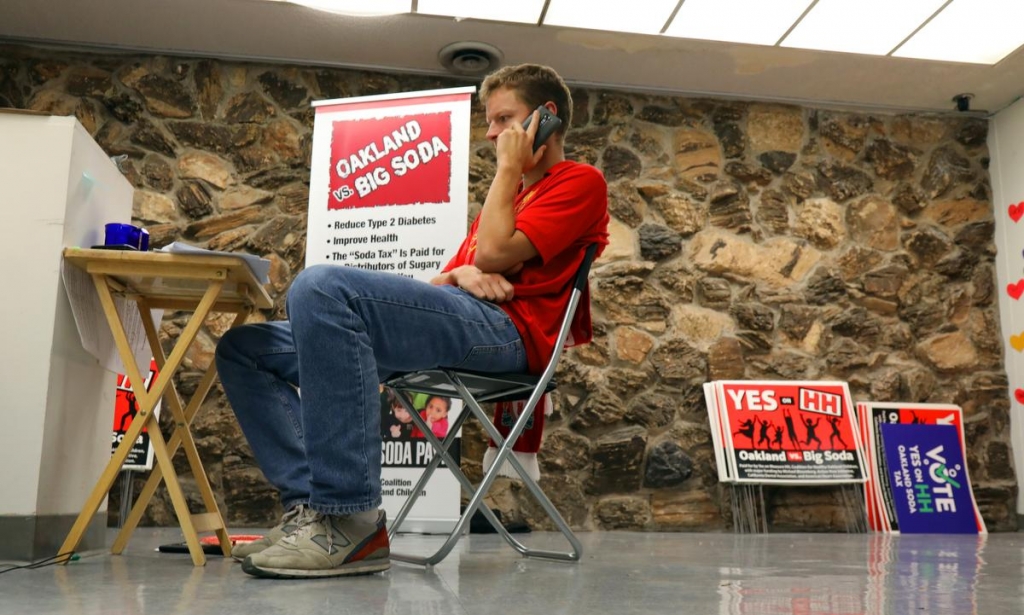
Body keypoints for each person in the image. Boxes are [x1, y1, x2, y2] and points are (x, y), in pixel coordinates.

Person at [214, 63, 609, 580]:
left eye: (503, 119)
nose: (490, 134)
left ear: (545, 118)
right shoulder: (507, 202)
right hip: (471, 319)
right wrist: (465, 273)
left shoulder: (579, 181)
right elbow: (452, 278)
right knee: (244, 349)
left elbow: (490, 254)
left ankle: (350, 520)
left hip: (508, 337)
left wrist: (504, 181)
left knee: (321, 286)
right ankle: (308, 512)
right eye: (488, 122)